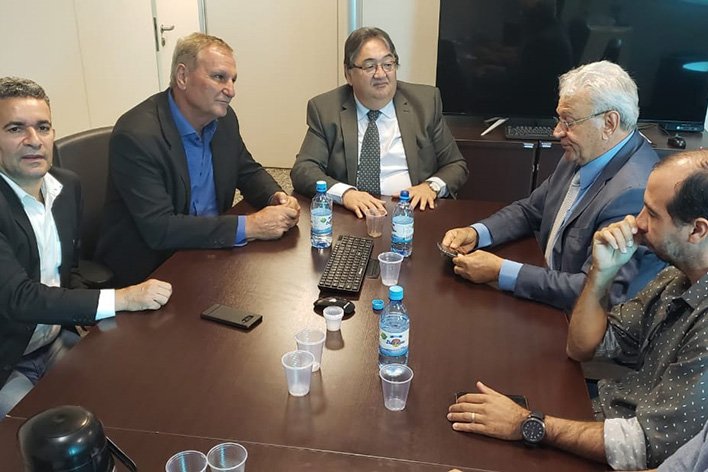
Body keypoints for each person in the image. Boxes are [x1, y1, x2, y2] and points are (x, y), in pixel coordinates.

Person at [447, 150, 708, 470]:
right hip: (600, 419)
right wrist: (601, 274)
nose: (638, 222)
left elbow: (643, 447)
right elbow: (584, 347)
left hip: (621, 452)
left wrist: (528, 424)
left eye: (652, 215)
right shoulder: (675, 278)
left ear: (697, 230)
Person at [0, 77, 173, 417]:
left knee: (127, 399)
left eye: (43, 127)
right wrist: (122, 298)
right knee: (39, 435)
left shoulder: (66, 186)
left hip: (54, 339)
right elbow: (21, 299)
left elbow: (70, 272)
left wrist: (87, 311)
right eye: (15, 128)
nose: (34, 140)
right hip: (7, 362)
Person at [442, 61, 664, 312]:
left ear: (609, 123)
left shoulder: (634, 192)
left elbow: (596, 290)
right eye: (559, 119)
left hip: (571, 318)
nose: (557, 132)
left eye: (569, 122)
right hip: (545, 289)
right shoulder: (583, 151)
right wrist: (476, 233)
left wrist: (500, 271)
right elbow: (530, 210)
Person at [95, 33, 300, 287]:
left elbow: (247, 170)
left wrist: (276, 196)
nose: (231, 91)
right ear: (182, 76)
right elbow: (160, 228)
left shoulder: (223, 119)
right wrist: (250, 226)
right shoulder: (137, 135)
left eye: (233, 80)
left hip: (210, 250)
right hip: (153, 269)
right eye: (219, 77)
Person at [290, 26, 468, 218]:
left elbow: (455, 165)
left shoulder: (425, 103)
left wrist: (431, 187)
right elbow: (303, 169)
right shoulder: (325, 109)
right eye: (369, 66)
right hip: (353, 215)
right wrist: (346, 194)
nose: (381, 74)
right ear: (348, 74)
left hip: (412, 213)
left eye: (388, 64)